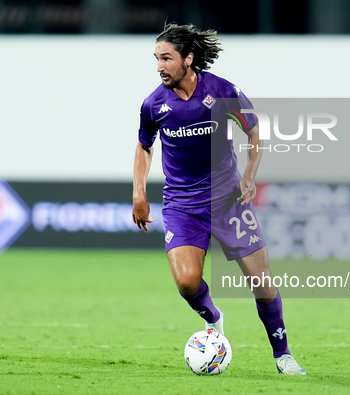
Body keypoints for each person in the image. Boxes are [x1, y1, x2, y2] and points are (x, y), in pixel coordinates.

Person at [132, 23, 306, 375]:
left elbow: (254, 131)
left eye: (166, 58)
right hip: (183, 206)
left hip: (228, 202)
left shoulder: (222, 91)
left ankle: (283, 355)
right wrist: (138, 193)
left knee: (262, 283)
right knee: (186, 282)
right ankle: (214, 318)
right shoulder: (154, 104)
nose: (159, 66)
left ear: (188, 58)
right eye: (156, 59)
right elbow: (144, 146)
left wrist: (249, 176)